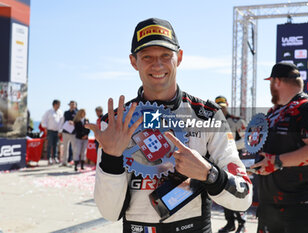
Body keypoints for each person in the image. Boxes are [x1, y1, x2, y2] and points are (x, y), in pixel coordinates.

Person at [86, 18, 252, 232]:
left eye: (166, 55)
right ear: (133, 61)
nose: (158, 65)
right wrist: (111, 158)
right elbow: (109, 213)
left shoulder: (208, 116)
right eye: (147, 57)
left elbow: (244, 197)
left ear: (179, 57)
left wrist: (208, 173)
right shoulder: (117, 123)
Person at [250, 62, 308, 233]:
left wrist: (277, 162)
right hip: (270, 208)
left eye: (271, 83)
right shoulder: (274, 112)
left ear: (277, 82)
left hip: (298, 210)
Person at [215, 96, 247, 233]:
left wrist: (230, 146)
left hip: (235, 162)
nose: (221, 109)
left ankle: (242, 224)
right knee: (225, 193)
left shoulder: (237, 121)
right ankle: (230, 223)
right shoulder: (212, 122)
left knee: (238, 192)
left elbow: (247, 141)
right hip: (220, 163)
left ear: (227, 105)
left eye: (223, 106)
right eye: (218, 107)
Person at [41, 99, 64, 165]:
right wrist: (45, 127)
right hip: (50, 130)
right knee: (49, 145)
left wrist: (60, 131)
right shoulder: (49, 112)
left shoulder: (60, 112)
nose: (59, 106)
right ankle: (49, 158)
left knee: (56, 145)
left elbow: (61, 122)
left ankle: (55, 157)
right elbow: (43, 119)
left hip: (57, 131)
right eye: (58, 104)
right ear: (54, 104)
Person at [61, 100, 78, 166]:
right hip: (65, 132)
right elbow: (63, 121)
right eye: (71, 104)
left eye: (73, 104)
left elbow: (79, 122)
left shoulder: (77, 113)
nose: (72, 106)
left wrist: (74, 123)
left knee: (74, 148)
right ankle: (64, 162)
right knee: (65, 148)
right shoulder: (66, 112)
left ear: (75, 105)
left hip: (73, 133)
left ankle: (74, 162)